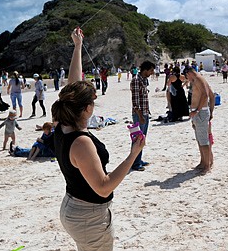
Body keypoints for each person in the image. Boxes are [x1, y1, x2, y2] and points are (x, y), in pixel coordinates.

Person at [52, 27, 145, 250]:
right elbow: (103, 187)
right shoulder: (81, 142)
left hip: (76, 209)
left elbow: (72, 87)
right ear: (86, 109)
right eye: (93, 101)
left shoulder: (61, 123)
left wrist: (78, 47)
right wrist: (133, 154)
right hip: (88, 216)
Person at [184, 68, 214, 173]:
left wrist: (197, 110)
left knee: (203, 140)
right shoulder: (200, 79)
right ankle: (204, 162)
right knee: (200, 139)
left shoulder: (198, 79)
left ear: (189, 73)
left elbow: (206, 95)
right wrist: (211, 111)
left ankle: (207, 165)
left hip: (200, 112)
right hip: (199, 112)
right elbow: (212, 95)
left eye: (187, 76)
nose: (188, 79)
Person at [130, 60, 155, 171]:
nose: (152, 73)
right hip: (139, 115)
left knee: (142, 138)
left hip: (145, 113)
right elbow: (135, 102)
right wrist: (140, 117)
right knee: (137, 139)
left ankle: (138, 160)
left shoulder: (143, 80)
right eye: (151, 70)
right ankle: (135, 163)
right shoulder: (136, 81)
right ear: (145, 70)